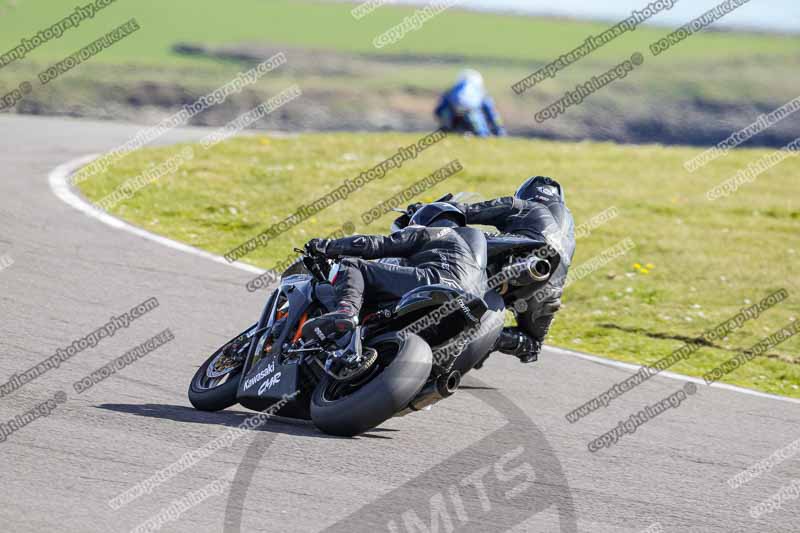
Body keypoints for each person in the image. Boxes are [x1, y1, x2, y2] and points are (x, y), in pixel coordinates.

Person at [301, 203, 487, 342]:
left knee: (353, 265)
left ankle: (346, 311)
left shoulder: (435, 232)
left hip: (434, 282)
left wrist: (327, 246)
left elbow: (378, 245)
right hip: (467, 314)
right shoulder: (473, 257)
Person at [447, 176, 575, 363]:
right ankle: (492, 340)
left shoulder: (524, 207)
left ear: (524, 195)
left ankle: (466, 329)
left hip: (512, 265)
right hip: (548, 292)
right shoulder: (567, 227)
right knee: (532, 345)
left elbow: (472, 211)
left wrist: (441, 210)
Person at [434, 69, 506, 137]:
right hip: (472, 116)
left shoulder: (452, 90)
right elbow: (491, 113)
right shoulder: (480, 92)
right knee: (481, 132)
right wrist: (499, 131)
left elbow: (439, 110)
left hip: (452, 118)